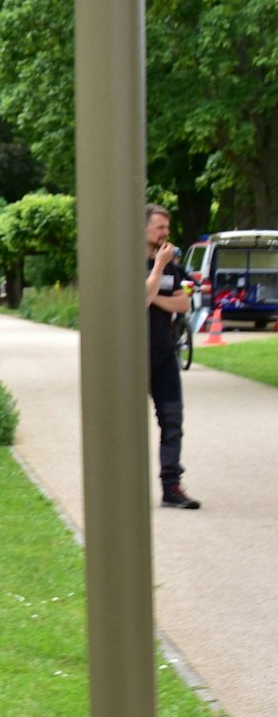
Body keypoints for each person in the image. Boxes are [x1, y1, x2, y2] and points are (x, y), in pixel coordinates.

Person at [145, 203, 199, 509]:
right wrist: (155, 272)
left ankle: (172, 487)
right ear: (143, 230)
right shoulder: (130, 263)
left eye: (167, 227)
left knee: (172, 420)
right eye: (160, 228)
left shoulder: (174, 268)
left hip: (164, 354)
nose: (166, 233)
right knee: (124, 424)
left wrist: (156, 298)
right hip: (131, 356)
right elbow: (139, 299)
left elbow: (184, 305)